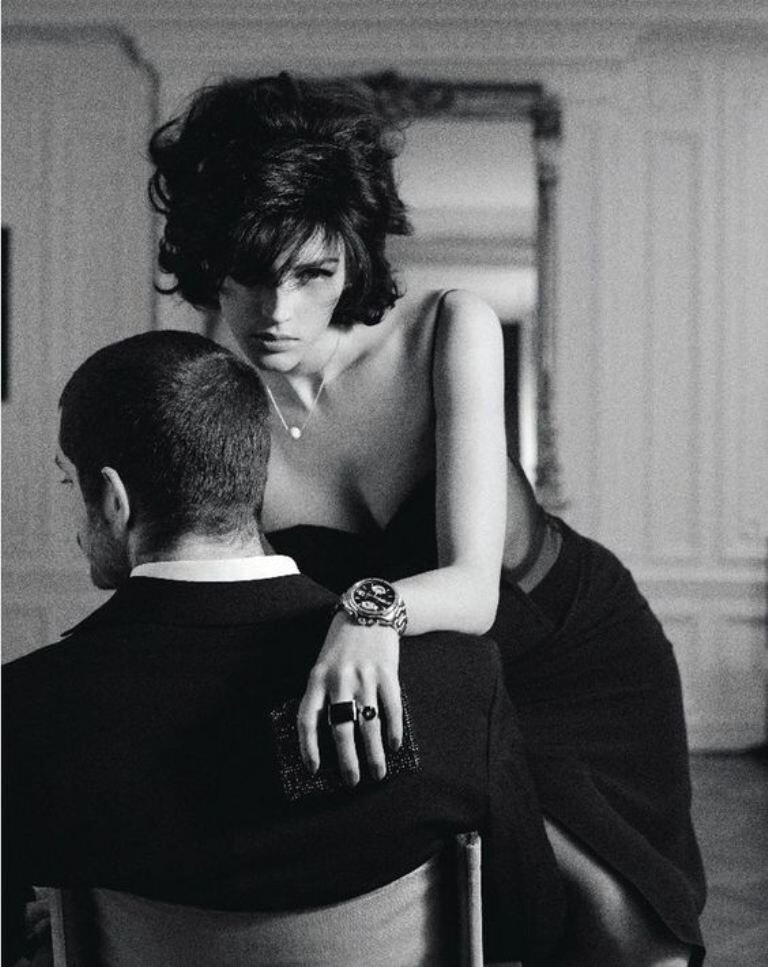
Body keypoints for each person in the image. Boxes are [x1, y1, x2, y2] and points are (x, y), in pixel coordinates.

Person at [148, 72, 707, 966]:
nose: (278, 311)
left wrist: (364, 609)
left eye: (312, 273)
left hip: (571, 650)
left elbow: (474, 590)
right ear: (209, 257)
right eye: (249, 275)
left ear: (353, 257)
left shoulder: (448, 328)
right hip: (437, 693)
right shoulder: (214, 399)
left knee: (633, 947)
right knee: (476, 923)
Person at [2, 330, 565, 966]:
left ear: (113, 498)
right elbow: (530, 929)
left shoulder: (21, 711)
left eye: (68, 485)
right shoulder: (457, 686)